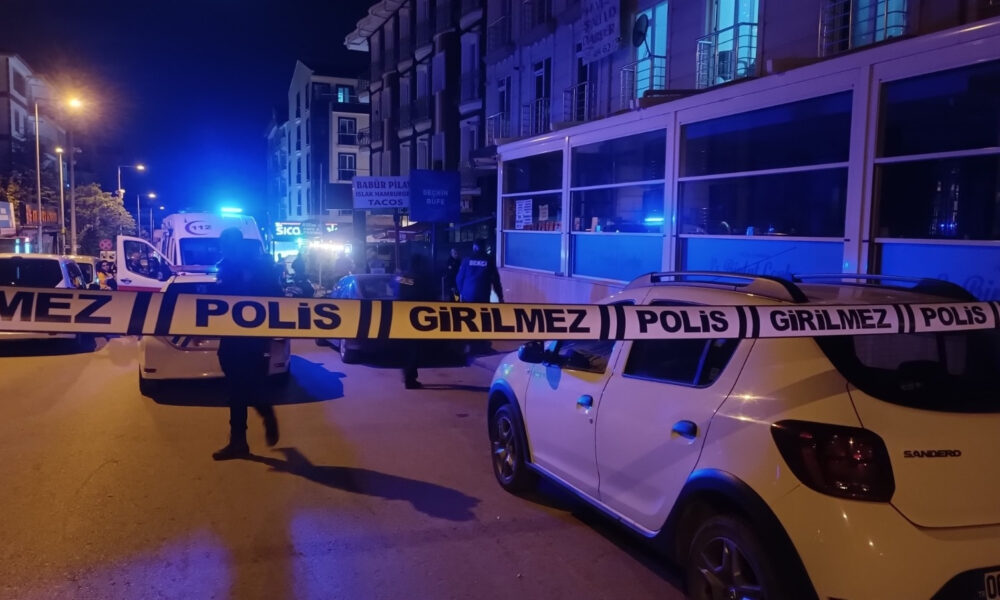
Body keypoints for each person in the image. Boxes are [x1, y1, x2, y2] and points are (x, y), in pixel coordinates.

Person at [212, 227, 282, 460]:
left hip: (248, 337)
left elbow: (275, 297)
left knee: (239, 389)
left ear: (232, 245)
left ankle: (240, 440)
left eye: (225, 245)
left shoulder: (252, 268)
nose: (223, 249)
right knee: (241, 387)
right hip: (235, 336)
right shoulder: (230, 266)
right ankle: (248, 430)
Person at [396, 253, 436, 389]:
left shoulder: (403, 277)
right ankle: (410, 378)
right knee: (413, 349)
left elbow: (395, 289)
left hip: (402, 316)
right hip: (417, 318)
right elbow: (428, 296)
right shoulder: (420, 278)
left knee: (407, 348)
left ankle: (408, 375)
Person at [456, 239, 504, 303]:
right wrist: (500, 297)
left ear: (474, 247)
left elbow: (459, 278)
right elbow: (496, 280)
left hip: (467, 296)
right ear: (484, 247)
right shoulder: (489, 260)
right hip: (483, 296)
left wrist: (462, 292)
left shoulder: (466, 259)